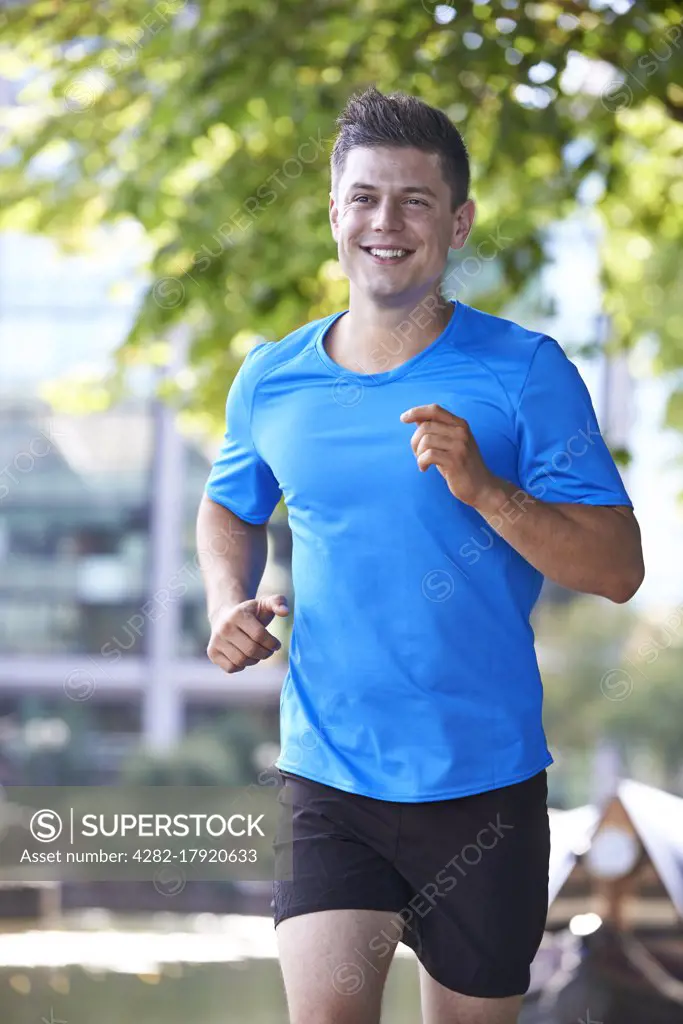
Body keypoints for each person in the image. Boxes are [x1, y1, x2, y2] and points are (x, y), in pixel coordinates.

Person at [197, 87, 644, 1024]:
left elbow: (616, 567)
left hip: (484, 784)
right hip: (329, 775)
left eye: (413, 200)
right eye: (363, 197)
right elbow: (227, 504)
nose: (384, 223)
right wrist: (223, 600)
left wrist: (485, 489)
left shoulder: (524, 370)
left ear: (458, 220)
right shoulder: (271, 376)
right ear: (333, 211)